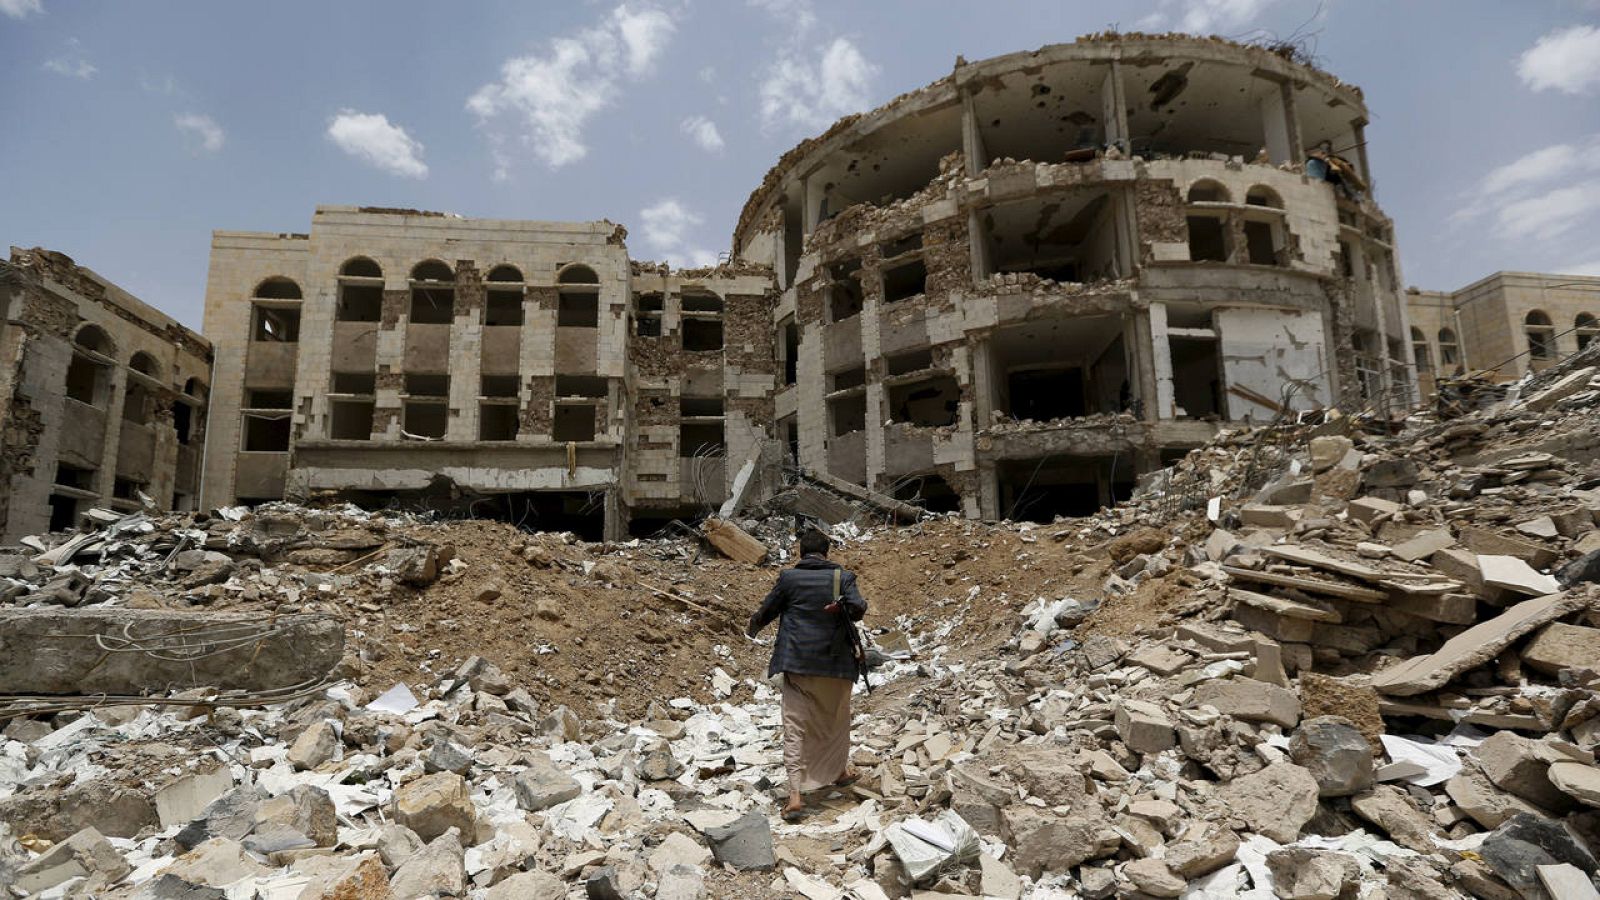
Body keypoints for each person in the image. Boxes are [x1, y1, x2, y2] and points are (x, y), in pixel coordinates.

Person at [747, 528, 868, 820]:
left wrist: (752, 628)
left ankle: (795, 795)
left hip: (799, 663)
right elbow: (859, 609)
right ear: (826, 553)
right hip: (836, 664)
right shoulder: (842, 577)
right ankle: (838, 771)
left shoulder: (789, 579)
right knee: (835, 721)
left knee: (795, 726)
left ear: (801, 553)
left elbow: (767, 610)